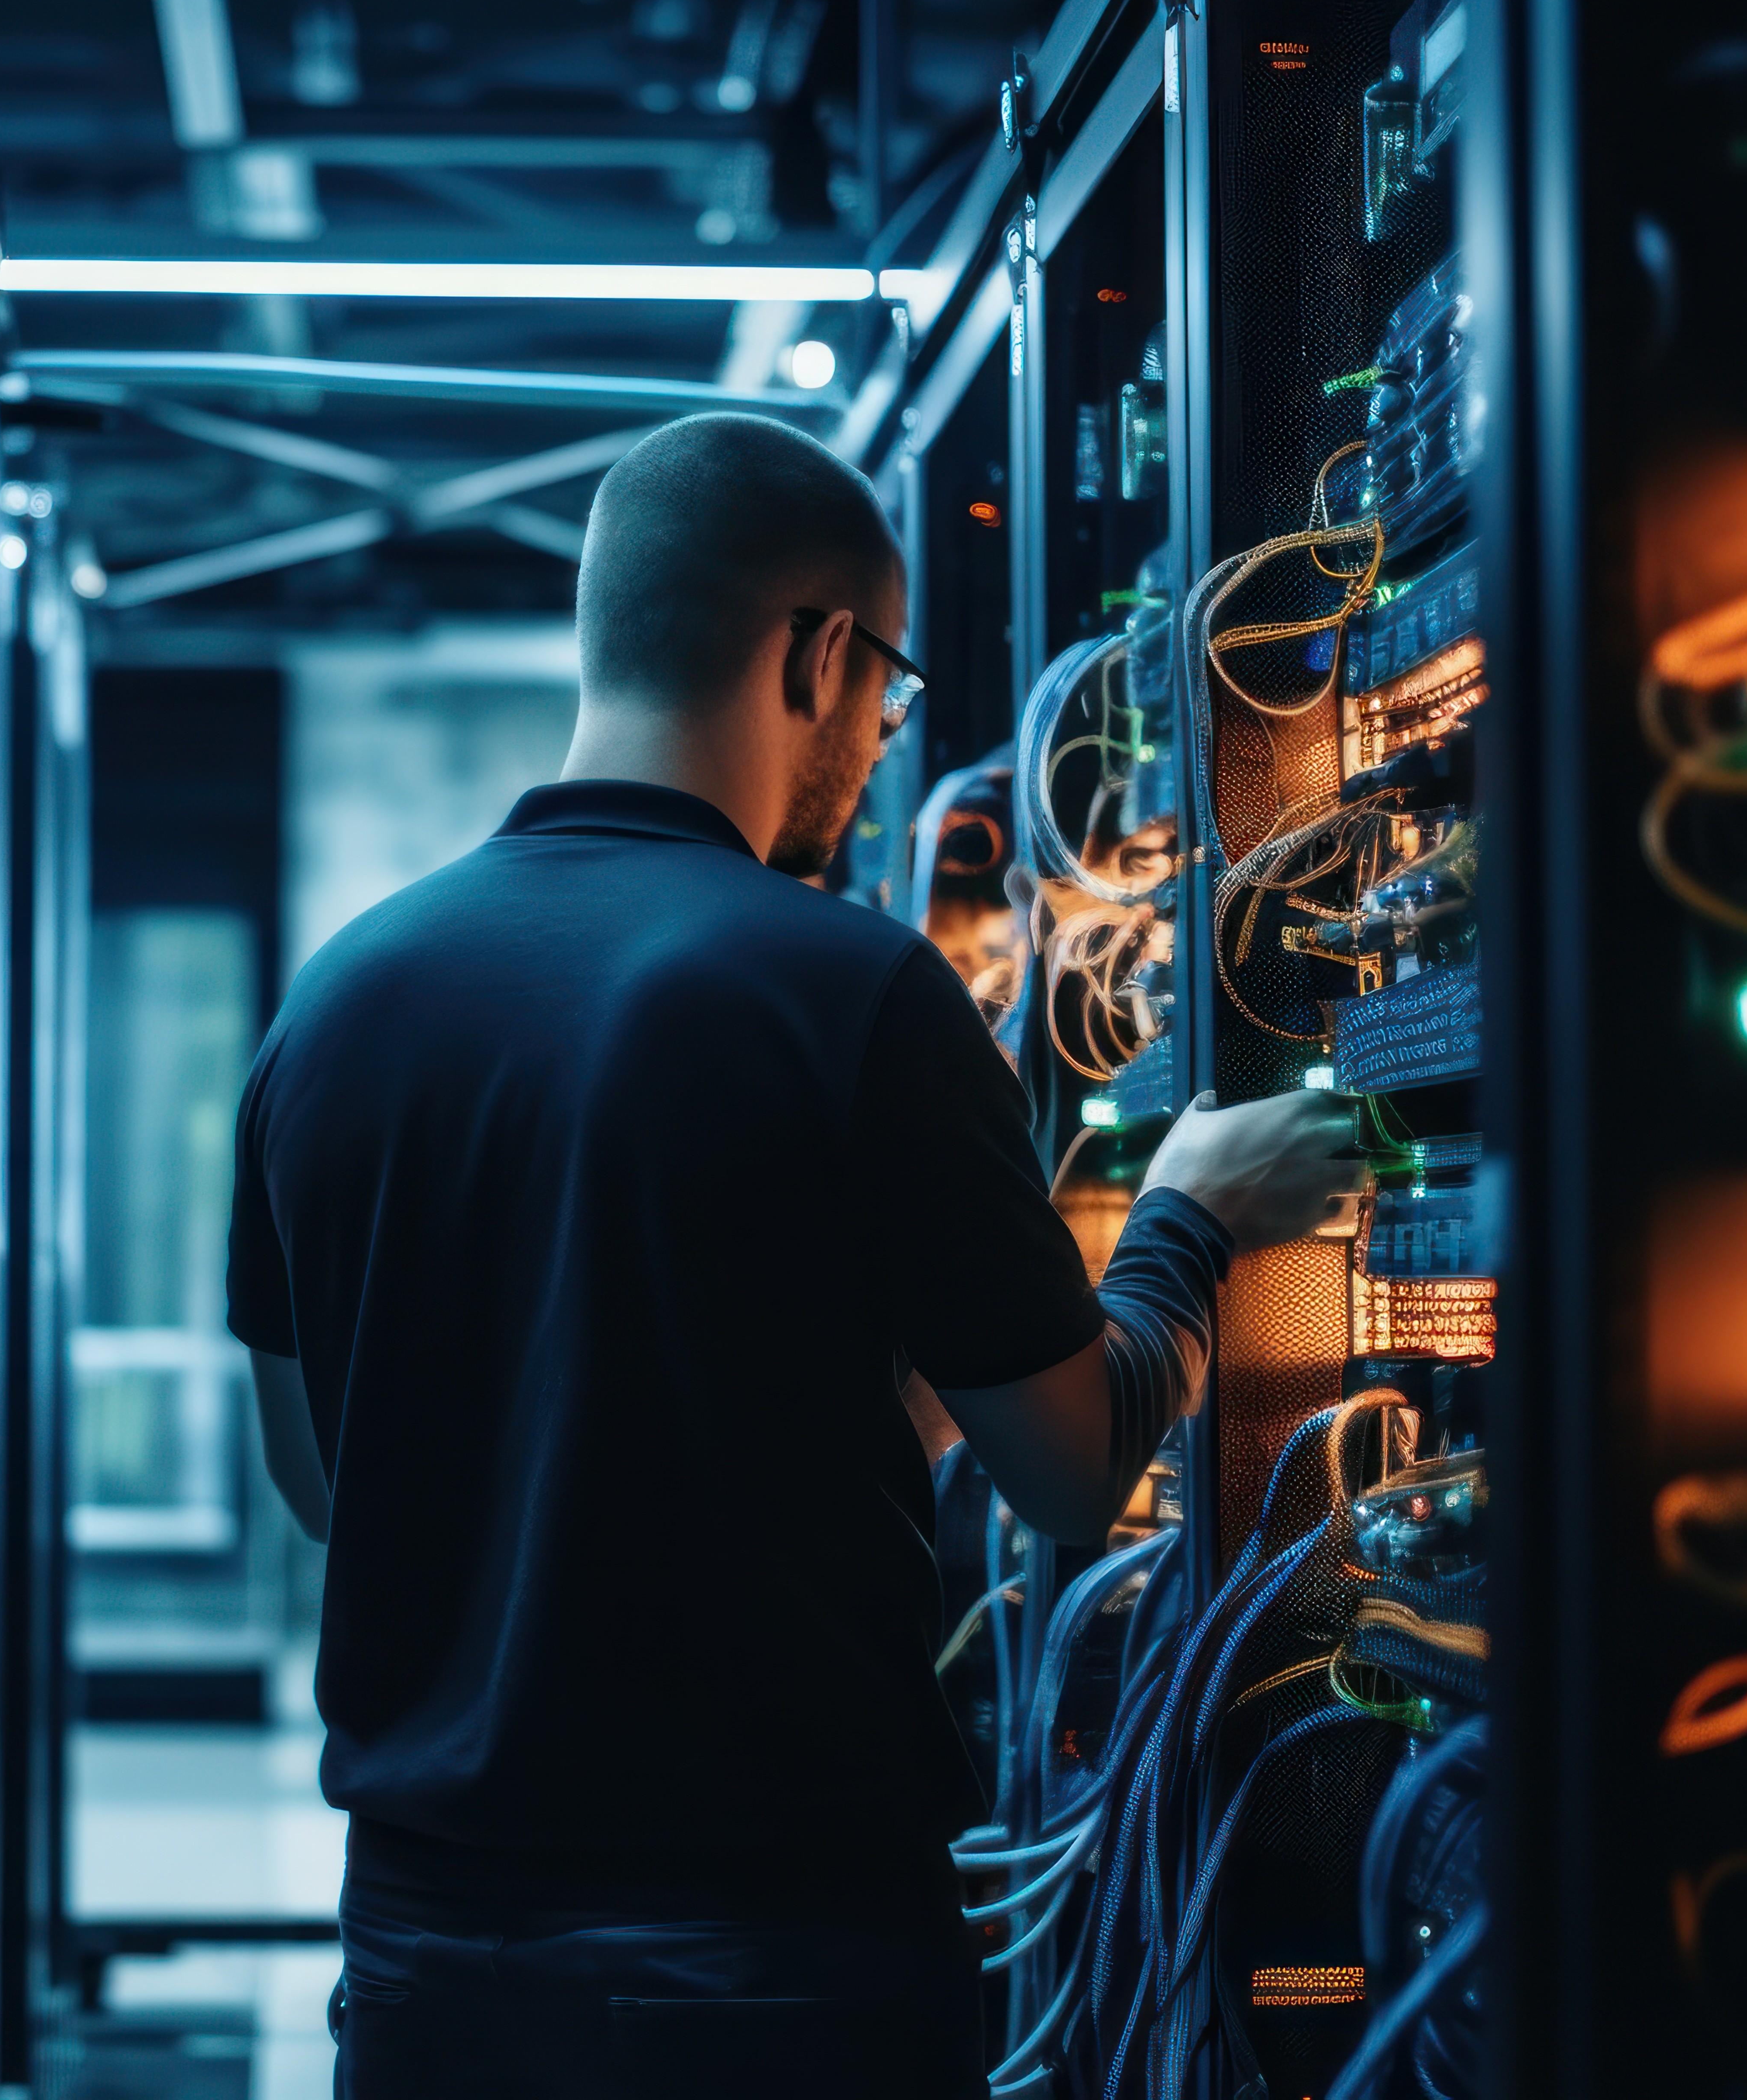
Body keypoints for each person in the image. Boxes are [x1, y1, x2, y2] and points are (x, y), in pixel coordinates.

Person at [227, 414, 1369, 2099]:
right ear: (821, 653)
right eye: (890, 691)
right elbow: (1073, 1466)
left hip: (429, 1978)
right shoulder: (849, 994)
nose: (884, 735)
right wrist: (1195, 1215)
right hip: (773, 1977)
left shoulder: (333, 1005)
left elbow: (338, 1480)